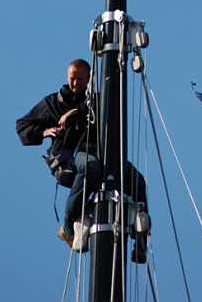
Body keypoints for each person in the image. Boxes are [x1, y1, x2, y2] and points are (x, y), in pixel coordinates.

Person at [16, 59, 149, 261]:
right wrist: (44, 131)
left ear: (88, 79)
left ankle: (140, 240)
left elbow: (94, 111)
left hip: (100, 157)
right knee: (90, 166)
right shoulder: (53, 103)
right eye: (72, 78)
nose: (75, 83)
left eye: (80, 79)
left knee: (137, 181)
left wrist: (76, 112)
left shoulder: (97, 102)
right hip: (67, 159)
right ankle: (68, 225)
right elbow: (22, 125)